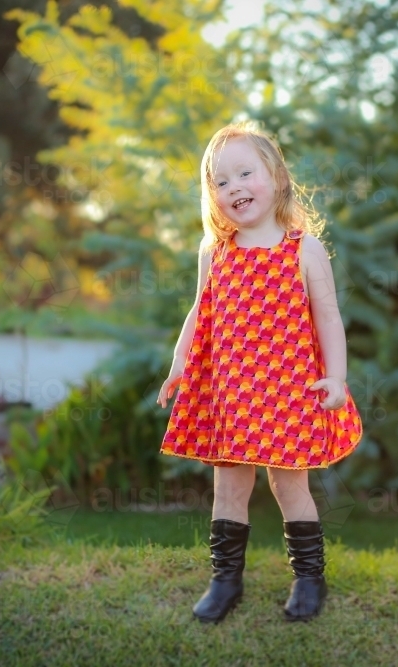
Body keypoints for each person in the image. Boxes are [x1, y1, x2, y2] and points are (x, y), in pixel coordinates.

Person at [156, 120, 363, 624]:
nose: (234, 188)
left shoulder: (304, 250)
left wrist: (335, 378)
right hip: (232, 393)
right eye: (220, 182)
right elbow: (199, 310)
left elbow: (328, 317)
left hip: (288, 390)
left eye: (244, 173)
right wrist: (180, 364)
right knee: (229, 487)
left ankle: (309, 578)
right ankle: (225, 581)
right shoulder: (217, 252)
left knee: (289, 486)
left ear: (276, 177)